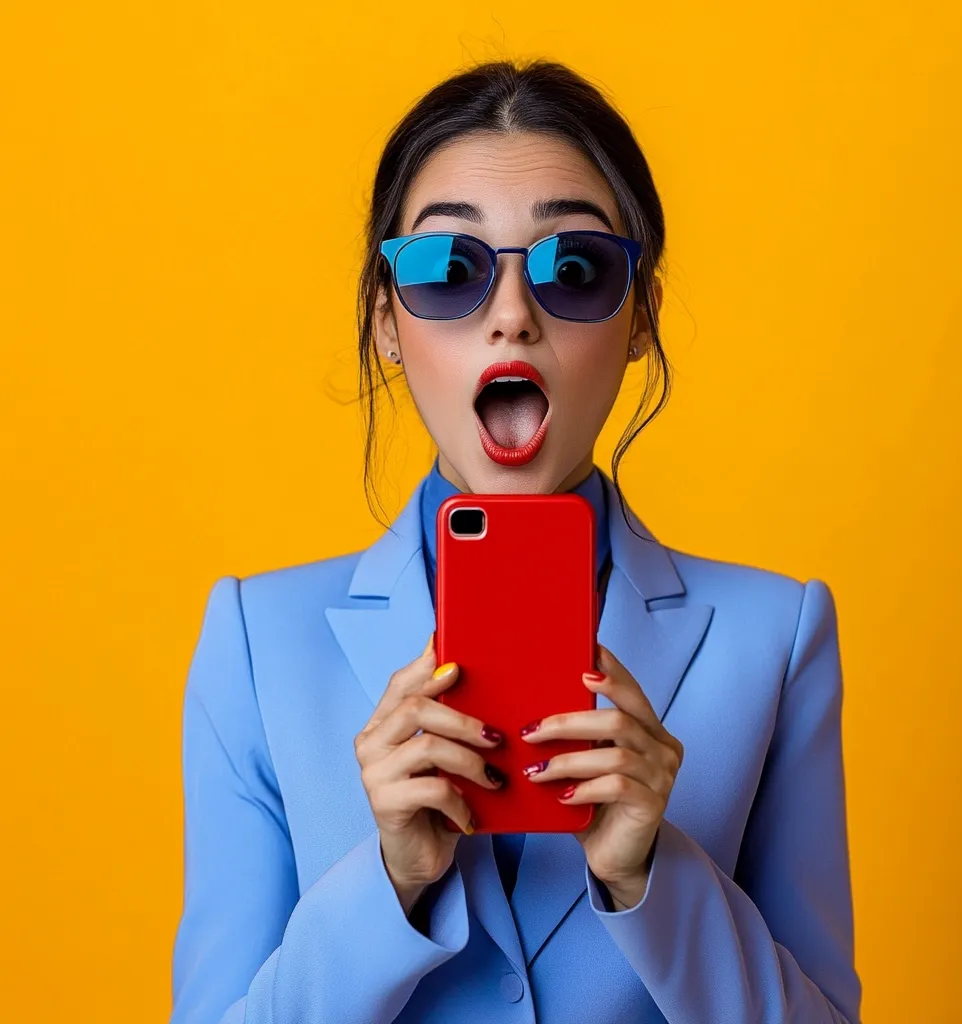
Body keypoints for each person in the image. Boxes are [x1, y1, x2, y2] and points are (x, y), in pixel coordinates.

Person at [169, 59, 862, 1024]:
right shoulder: (257, 643)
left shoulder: (776, 638)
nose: (510, 317)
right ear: (386, 320)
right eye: (448, 269)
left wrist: (652, 875)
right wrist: (389, 884)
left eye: (573, 269)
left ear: (641, 319)